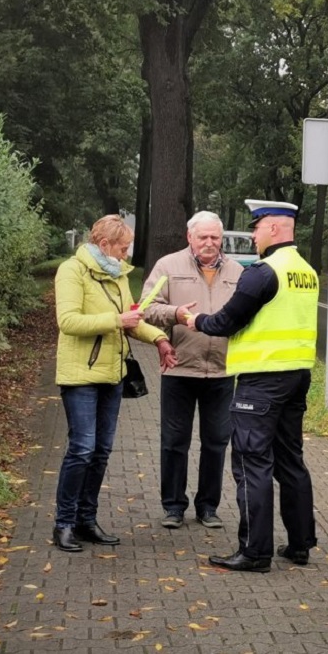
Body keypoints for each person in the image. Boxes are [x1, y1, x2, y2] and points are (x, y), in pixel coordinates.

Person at [185, 199, 318, 573]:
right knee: (290, 460)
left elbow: (227, 321)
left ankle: (255, 551)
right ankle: (300, 544)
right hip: (296, 377)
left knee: (251, 460)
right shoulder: (306, 271)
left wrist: (196, 320)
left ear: (274, 228)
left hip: (261, 381)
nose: (254, 235)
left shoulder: (263, 273)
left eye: (257, 227)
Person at [53, 215, 177, 553]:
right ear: (104, 244)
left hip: (113, 374)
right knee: (82, 448)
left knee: (102, 450)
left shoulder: (119, 274)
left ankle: (86, 520)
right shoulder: (72, 271)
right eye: (123, 248)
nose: (126, 255)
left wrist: (160, 339)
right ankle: (63, 523)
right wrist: (115, 320)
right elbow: (68, 321)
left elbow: (132, 320)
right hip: (80, 375)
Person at [141, 211, 244, 530]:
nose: (210, 243)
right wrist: (175, 314)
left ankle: (208, 507)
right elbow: (145, 308)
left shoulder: (238, 271)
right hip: (179, 369)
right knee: (174, 441)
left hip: (223, 372)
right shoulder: (167, 266)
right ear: (190, 238)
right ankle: (173, 507)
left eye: (215, 237)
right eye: (204, 237)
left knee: (216, 442)